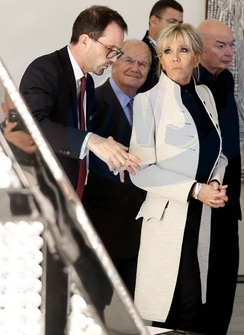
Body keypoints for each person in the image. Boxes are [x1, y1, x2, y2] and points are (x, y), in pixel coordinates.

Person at [19, 5, 140, 333]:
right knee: (45, 303)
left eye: (118, 52)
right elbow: (32, 127)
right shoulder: (45, 70)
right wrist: (92, 141)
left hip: (73, 209)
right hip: (45, 208)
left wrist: (111, 156)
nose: (114, 59)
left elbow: (79, 146)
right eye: (111, 50)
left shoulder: (85, 83)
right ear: (85, 40)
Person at [129, 23, 229, 333]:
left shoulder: (205, 96)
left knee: (192, 304)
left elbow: (218, 153)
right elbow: (141, 170)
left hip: (201, 213)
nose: (175, 57)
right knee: (178, 304)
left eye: (183, 50)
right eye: (167, 51)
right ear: (160, 58)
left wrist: (215, 182)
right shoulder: (147, 101)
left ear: (196, 57)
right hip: (168, 216)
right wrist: (197, 190)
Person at [82, 40, 151, 296]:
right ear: (113, 63)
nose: (135, 68)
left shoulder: (150, 107)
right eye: (128, 60)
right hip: (103, 225)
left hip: (141, 227)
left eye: (143, 64)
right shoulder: (92, 101)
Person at [196, 19, 242, 335]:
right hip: (202, 195)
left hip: (228, 194)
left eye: (231, 45)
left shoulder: (226, 79)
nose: (228, 52)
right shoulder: (187, 81)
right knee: (204, 278)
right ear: (199, 46)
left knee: (225, 275)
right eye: (220, 45)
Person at [139, 0, 184, 93]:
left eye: (180, 24)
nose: (176, 28)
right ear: (153, 22)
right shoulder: (139, 53)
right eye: (172, 22)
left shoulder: (183, 53)